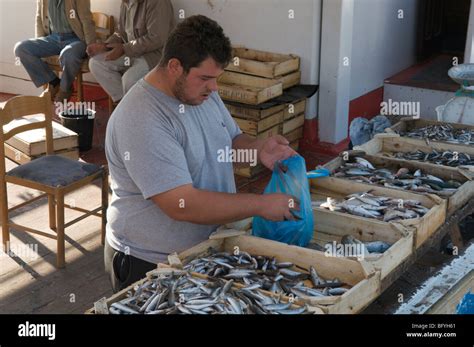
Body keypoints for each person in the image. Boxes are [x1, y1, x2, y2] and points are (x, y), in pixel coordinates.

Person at [104, 15, 297, 292]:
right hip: (150, 263)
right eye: (206, 78)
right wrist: (261, 204)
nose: (214, 87)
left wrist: (258, 149)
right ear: (174, 66)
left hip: (202, 251)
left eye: (216, 78)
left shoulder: (199, 91)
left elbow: (230, 141)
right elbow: (181, 203)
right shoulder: (142, 117)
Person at [87, 0, 175, 104]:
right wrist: (105, 46)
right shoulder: (126, 2)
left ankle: (133, 110)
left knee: (129, 79)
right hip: (131, 51)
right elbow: (120, 32)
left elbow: (156, 38)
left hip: (154, 55)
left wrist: (124, 49)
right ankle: (124, 105)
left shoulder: (157, 3)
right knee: (96, 63)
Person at [14, 0, 96, 101]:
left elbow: (86, 20)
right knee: (21, 48)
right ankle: (54, 82)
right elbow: (39, 18)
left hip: (76, 39)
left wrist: (91, 45)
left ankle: (65, 88)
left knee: (68, 54)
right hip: (53, 38)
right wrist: (40, 45)